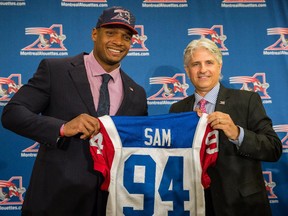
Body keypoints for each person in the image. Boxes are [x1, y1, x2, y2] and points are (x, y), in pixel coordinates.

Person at [1, 6, 147, 216]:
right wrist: (62, 127)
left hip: (111, 203)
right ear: (94, 34)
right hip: (56, 200)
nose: (118, 41)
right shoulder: (55, 70)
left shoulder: (137, 93)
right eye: (110, 33)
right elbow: (13, 113)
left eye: (125, 36)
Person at [169, 37, 282, 216]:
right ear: (187, 70)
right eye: (195, 64)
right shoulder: (177, 109)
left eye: (209, 62)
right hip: (196, 205)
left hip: (242, 206)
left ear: (219, 66)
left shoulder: (247, 100)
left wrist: (238, 134)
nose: (203, 70)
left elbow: (273, 148)